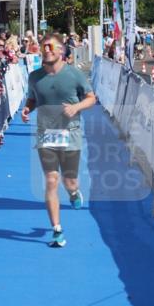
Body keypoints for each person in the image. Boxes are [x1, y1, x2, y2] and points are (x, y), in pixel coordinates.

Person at [21, 33, 97, 249]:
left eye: (51, 46)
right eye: (44, 46)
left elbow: (92, 98)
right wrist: (28, 108)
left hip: (70, 132)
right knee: (52, 180)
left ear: (61, 50)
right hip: (46, 132)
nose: (46, 50)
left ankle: (74, 193)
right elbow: (33, 97)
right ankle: (57, 229)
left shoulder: (75, 75)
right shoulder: (35, 76)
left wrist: (76, 107)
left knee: (69, 181)